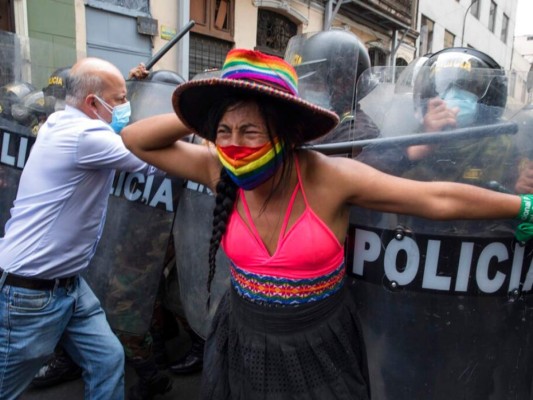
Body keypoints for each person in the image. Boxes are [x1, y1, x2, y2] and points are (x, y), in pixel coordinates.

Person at [121, 48, 531, 400]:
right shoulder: (217, 169)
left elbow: (437, 198)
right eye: (223, 132)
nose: (235, 145)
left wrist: (523, 207)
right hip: (240, 341)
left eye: (250, 131)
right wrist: (210, 108)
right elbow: (136, 139)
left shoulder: (328, 177)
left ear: (285, 133)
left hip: (318, 348)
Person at [0, 57, 161, 400]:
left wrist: (126, 86)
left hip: (67, 284)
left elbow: (108, 120)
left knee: (107, 360)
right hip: (30, 293)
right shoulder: (84, 136)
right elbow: (150, 159)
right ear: (92, 103)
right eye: (119, 100)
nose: (125, 107)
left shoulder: (61, 120)